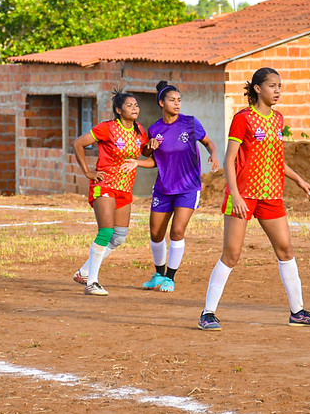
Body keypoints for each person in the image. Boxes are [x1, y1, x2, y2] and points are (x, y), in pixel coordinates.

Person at [198, 67, 310, 331]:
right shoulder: (243, 118)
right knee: (231, 255)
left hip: (270, 194)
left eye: (280, 86)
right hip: (243, 194)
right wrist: (234, 195)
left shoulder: (278, 119)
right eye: (272, 86)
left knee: (286, 250)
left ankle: (298, 312)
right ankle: (207, 314)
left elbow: (277, 159)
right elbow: (230, 159)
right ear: (257, 89)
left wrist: (299, 180)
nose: (277, 91)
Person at [140, 81, 219, 293]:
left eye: (179, 100)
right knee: (156, 233)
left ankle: (170, 277)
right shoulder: (155, 129)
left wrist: (213, 154)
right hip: (163, 188)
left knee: (177, 231)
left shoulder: (190, 123)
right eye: (172, 100)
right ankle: (158, 274)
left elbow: (208, 142)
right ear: (161, 103)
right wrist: (148, 147)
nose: (177, 104)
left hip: (188, 187)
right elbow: (150, 156)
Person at [71, 90, 151, 296]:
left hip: (125, 188)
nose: (135, 109)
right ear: (118, 110)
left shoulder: (139, 130)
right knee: (106, 232)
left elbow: (146, 153)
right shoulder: (108, 128)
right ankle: (92, 283)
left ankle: (85, 272)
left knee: (119, 237)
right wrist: (88, 172)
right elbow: (78, 143)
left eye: (136, 106)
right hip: (104, 185)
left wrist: (151, 146)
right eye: (130, 106)